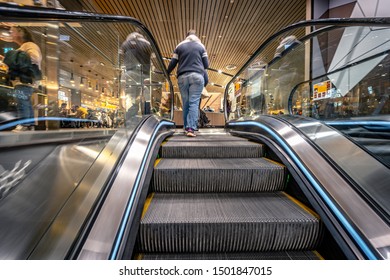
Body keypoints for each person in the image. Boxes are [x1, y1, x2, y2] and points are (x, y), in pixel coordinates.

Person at [167, 29, 209, 137]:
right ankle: (190, 128)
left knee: (185, 103)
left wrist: (166, 73)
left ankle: (186, 128)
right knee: (194, 103)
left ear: (186, 36)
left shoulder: (179, 46)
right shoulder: (201, 46)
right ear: (196, 36)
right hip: (197, 76)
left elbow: (173, 63)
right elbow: (206, 65)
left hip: (182, 77)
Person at [3, 26, 42, 131]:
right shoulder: (26, 46)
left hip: (24, 80)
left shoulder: (28, 45)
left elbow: (34, 57)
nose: (11, 33)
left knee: (21, 101)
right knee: (26, 102)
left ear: (21, 33)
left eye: (13, 31)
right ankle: (29, 125)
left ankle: (24, 124)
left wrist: (17, 63)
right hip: (26, 80)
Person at [121, 31, 152, 120]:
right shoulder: (147, 44)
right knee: (144, 95)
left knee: (131, 97)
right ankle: (146, 118)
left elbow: (121, 55)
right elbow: (151, 56)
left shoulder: (126, 44)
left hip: (130, 73)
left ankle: (130, 119)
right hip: (144, 74)